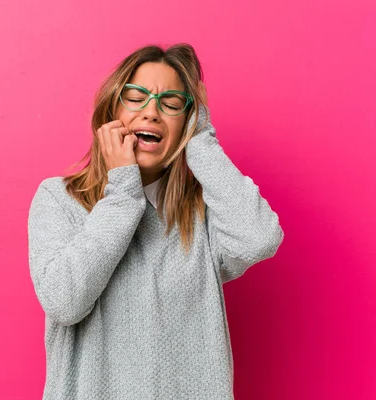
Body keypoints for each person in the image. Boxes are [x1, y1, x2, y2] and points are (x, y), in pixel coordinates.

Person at [27, 43, 284, 400]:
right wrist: (122, 193)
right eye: (136, 97)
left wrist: (203, 142)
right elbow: (64, 301)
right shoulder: (59, 199)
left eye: (172, 103)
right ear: (111, 111)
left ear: (188, 123)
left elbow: (259, 239)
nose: (152, 112)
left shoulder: (205, 214)